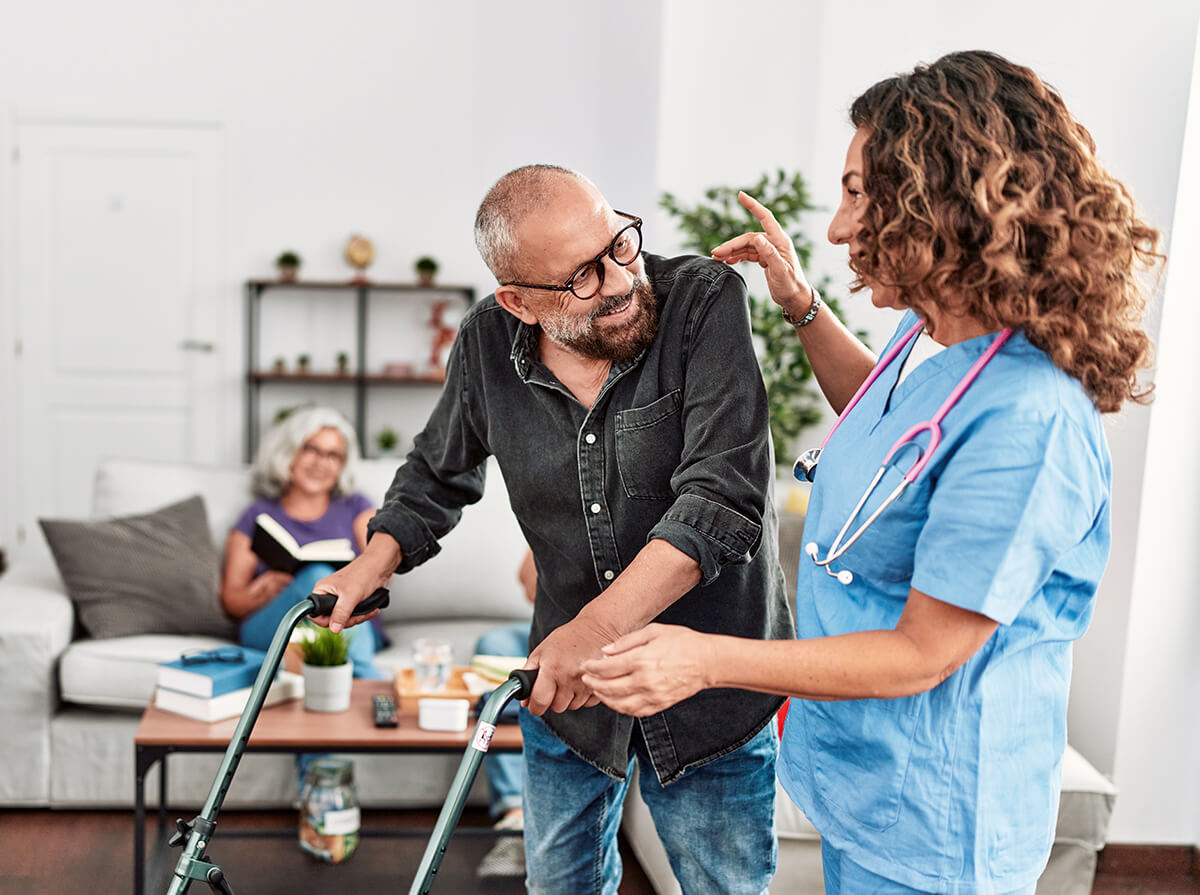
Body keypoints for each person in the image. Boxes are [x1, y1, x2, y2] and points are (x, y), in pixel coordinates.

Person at [581, 50, 1160, 895]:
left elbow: (923, 653)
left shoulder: (1028, 418)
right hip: (866, 783)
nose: (839, 229)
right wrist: (801, 304)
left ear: (943, 199)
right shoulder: (940, 336)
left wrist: (705, 658)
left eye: (857, 193)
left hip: (940, 813)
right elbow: (889, 424)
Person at [311, 164, 796, 894]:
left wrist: (592, 630)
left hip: (706, 693)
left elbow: (721, 501)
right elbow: (437, 472)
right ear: (518, 301)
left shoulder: (701, 300)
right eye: (580, 278)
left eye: (619, 246)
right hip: (568, 699)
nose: (618, 280)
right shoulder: (485, 341)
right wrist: (369, 564)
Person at [221, 405, 385, 680]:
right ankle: (370, 681)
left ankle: (356, 672)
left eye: (333, 455)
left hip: (349, 624)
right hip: (275, 625)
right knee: (316, 576)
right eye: (311, 449)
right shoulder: (257, 515)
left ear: (342, 465)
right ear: (289, 453)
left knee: (321, 578)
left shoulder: (357, 507)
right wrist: (260, 591)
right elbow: (231, 601)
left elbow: (382, 565)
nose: (321, 463)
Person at [474, 548, 535, 879]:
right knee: (494, 644)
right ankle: (515, 818)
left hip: (612, 629)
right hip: (550, 622)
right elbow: (528, 583)